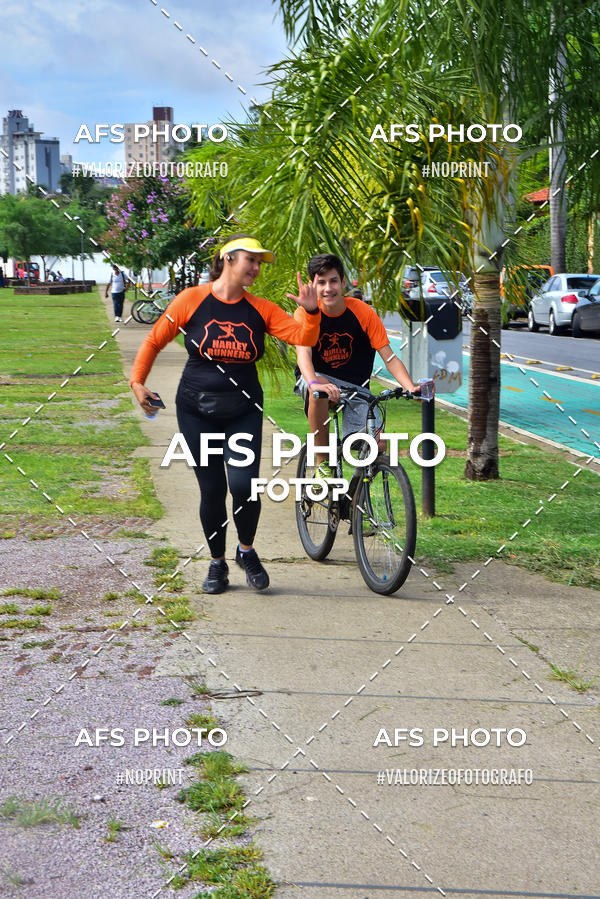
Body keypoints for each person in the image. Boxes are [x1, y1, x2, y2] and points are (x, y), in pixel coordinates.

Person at [129, 233, 320, 594]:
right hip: (195, 409)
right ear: (229, 258)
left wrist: (311, 313)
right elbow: (154, 339)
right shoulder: (191, 300)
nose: (257, 268)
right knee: (212, 489)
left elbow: (303, 338)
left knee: (245, 485)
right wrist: (137, 382)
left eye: (260, 263)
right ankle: (217, 563)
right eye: (252, 260)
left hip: (243, 409)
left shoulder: (260, 308)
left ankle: (246, 551)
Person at [294, 253, 422, 469]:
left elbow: (389, 358)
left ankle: (356, 498)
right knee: (320, 392)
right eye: (321, 282)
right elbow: (303, 356)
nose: (328, 288)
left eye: (333, 281)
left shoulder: (363, 312)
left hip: (356, 388)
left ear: (343, 282)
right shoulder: (304, 313)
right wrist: (315, 383)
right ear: (312, 285)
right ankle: (323, 464)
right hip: (316, 379)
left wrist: (410, 387)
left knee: (378, 444)